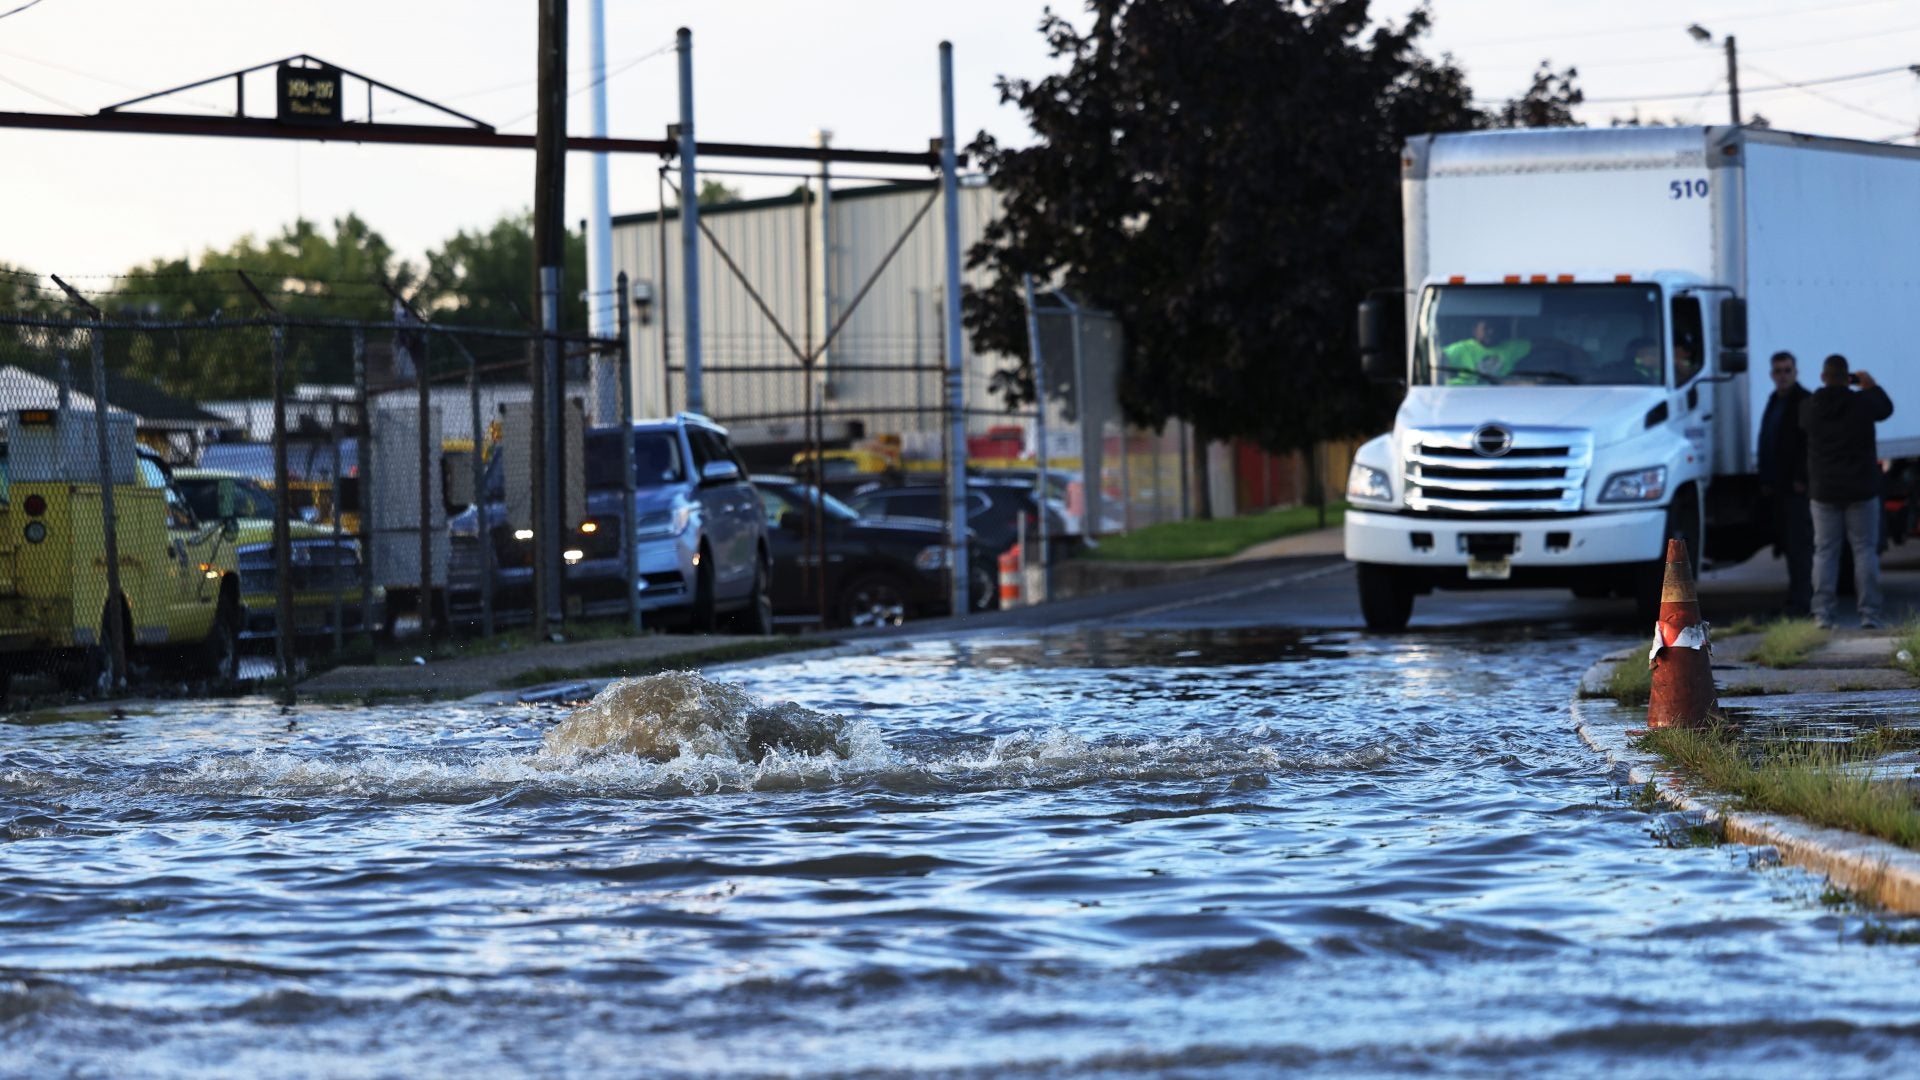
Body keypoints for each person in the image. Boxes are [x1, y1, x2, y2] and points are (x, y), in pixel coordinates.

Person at [1800, 353, 1894, 628]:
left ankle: (1823, 615)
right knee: (1865, 551)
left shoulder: (1810, 407)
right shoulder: (1863, 403)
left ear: (1823, 377)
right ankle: (1869, 614)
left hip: (1824, 491)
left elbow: (1803, 421)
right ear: (1848, 377)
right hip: (1862, 490)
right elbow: (1885, 409)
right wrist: (1870, 385)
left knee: (1825, 552)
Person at [1757, 350, 1813, 616]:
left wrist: (1802, 478)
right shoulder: (1774, 401)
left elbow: (1810, 444)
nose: (1782, 376)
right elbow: (1768, 440)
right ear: (1771, 374)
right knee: (1790, 546)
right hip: (1779, 487)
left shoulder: (1803, 401)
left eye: (1787, 370)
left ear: (1795, 372)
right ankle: (1795, 597)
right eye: (1778, 371)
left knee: (1800, 546)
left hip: (1796, 489)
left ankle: (1803, 601)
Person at [1443, 319, 1531, 384]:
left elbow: (1540, 346)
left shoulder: (1511, 347)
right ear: (1474, 330)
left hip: (1506, 395)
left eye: (1494, 327)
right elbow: (1438, 359)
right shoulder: (1461, 349)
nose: (1491, 331)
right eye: (1486, 327)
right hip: (1465, 396)